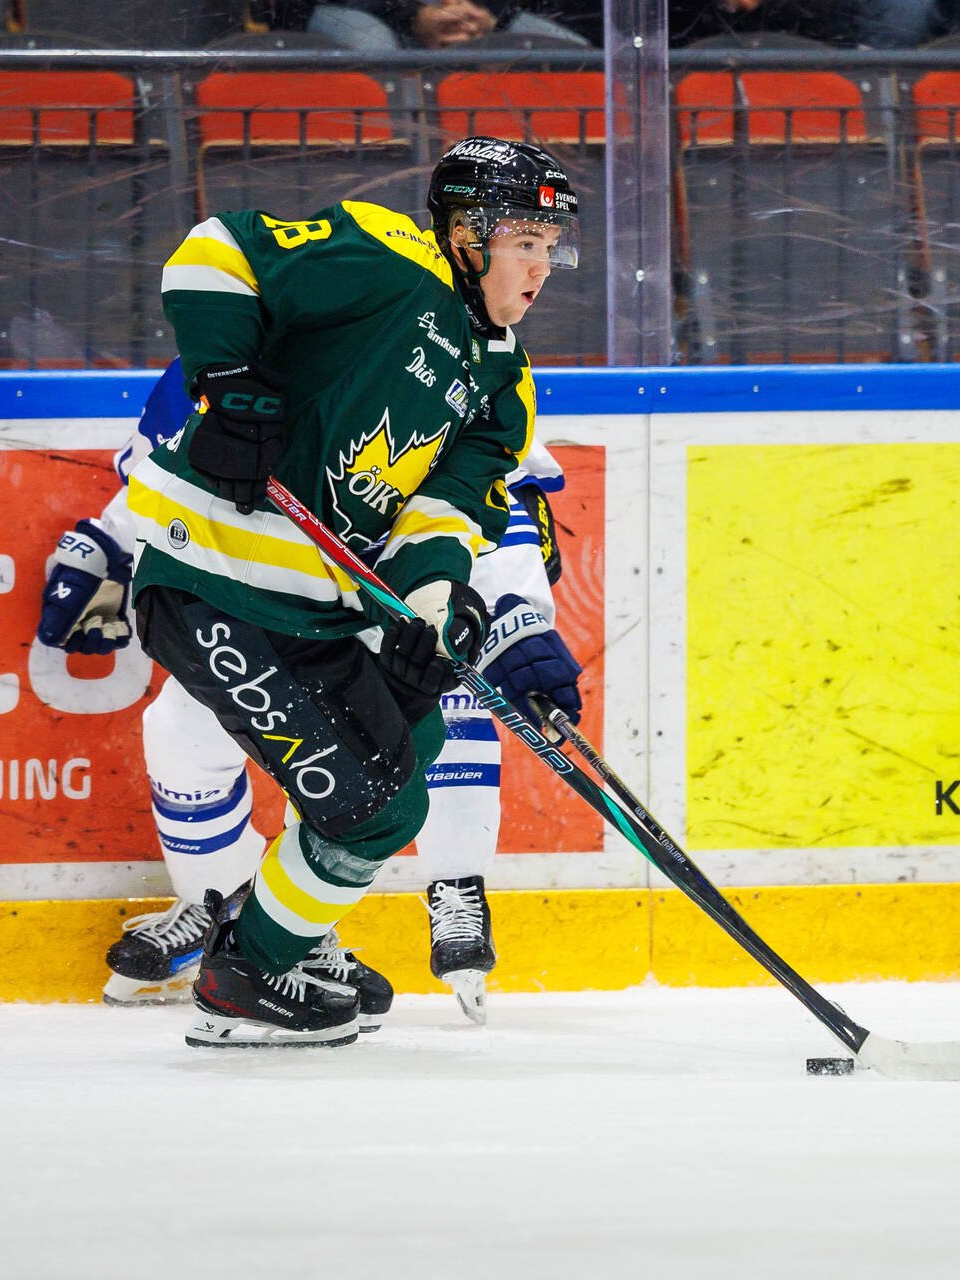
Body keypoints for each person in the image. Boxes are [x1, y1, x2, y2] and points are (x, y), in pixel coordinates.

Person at [120, 136, 587, 1047]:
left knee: (410, 756)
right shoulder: (386, 256)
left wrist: (434, 607)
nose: (541, 267)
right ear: (466, 234)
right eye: (524, 242)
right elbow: (215, 250)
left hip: (314, 609)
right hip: (207, 576)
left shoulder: (503, 383)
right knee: (371, 803)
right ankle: (243, 971)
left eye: (550, 247)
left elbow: (442, 517)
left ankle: (281, 939)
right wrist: (228, 379)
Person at [36, 356, 575, 1025]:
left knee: (433, 709)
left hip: (395, 608)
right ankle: (227, 905)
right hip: (271, 603)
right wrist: (102, 545)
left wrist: (519, 621)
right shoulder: (225, 359)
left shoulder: (427, 353)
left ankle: (454, 884)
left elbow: (487, 503)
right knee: (180, 727)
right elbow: (179, 471)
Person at [305, 0, 590, 49]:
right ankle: (384, 148)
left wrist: (485, 17)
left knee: (577, 52)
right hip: (369, 10)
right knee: (372, 45)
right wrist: (415, 17)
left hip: (481, 13)